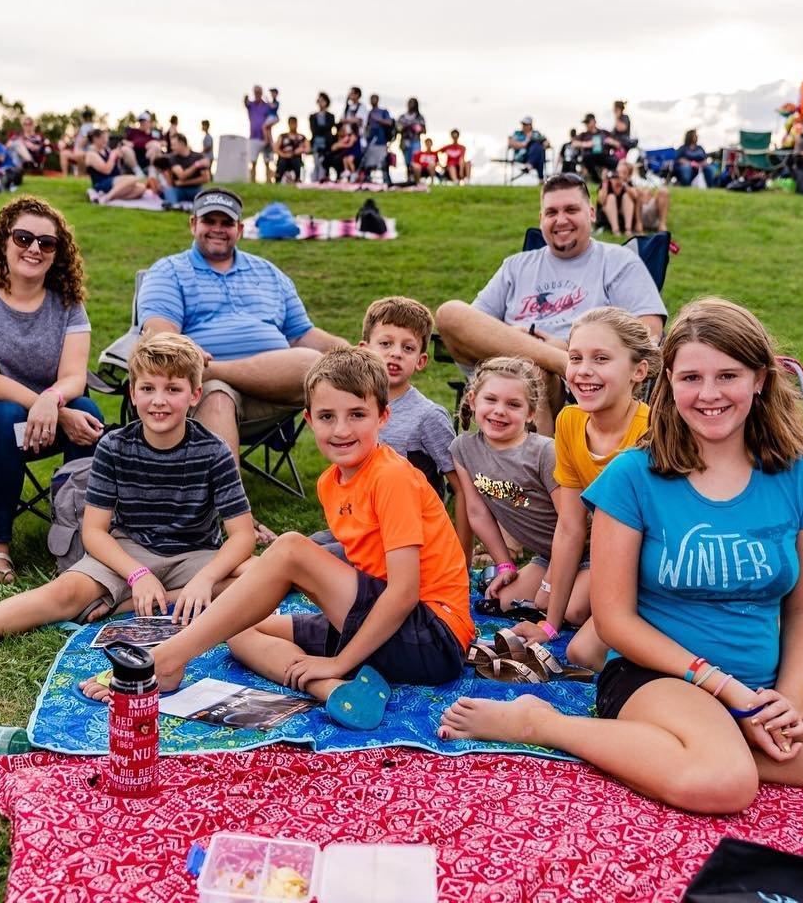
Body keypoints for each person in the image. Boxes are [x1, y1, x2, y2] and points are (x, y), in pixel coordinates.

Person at [440, 298, 803, 815]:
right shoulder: (634, 477)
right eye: (691, 377)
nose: (709, 393)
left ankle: (729, 749)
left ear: (760, 379)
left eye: (728, 375)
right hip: (658, 678)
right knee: (722, 783)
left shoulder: (798, 479)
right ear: (668, 383)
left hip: (760, 684)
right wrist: (724, 688)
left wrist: (787, 703)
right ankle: (544, 724)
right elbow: (614, 619)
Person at [81, 347, 475, 732]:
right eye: (327, 416)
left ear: (383, 416)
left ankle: (167, 659)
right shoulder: (332, 482)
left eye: (357, 414)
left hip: (432, 639)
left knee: (290, 548)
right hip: (386, 626)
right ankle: (332, 690)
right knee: (239, 629)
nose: (341, 430)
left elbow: (404, 592)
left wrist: (340, 659)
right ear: (309, 419)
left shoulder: (391, 477)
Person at [0, 333, 255, 672]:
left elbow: (241, 536)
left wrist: (204, 579)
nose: (158, 401)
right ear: (133, 393)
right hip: (129, 551)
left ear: (195, 395)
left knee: (260, 574)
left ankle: (151, 600)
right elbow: (94, 532)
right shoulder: (114, 447)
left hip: (196, 554)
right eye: (148, 388)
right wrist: (137, 574)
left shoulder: (214, 450)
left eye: (173, 389)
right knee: (63, 593)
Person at [138, 187, 346, 542]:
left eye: (226, 222)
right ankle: (232, 515)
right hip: (209, 395)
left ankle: (369, 494)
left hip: (274, 388)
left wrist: (352, 352)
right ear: (193, 224)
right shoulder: (170, 271)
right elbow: (159, 331)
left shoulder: (268, 273)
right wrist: (189, 354)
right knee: (217, 393)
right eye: (209, 221)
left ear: (240, 228)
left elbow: (303, 334)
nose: (217, 229)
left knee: (319, 368)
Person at [0, 196, 105, 584]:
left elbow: (74, 377)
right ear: (3, 241)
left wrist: (52, 401)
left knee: (89, 411)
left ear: (58, 253)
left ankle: (79, 541)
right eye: (23, 238)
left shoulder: (67, 304)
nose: (34, 249)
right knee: (7, 414)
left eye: (47, 243)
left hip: (44, 418)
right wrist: (49, 407)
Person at [435, 173, 667, 433]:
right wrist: (532, 346)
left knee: (533, 374)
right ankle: (562, 362)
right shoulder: (516, 266)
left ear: (591, 213)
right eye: (551, 212)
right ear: (541, 219)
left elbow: (649, 333)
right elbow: (470, 327)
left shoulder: (619, 261)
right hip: (502, 372)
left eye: (571, 210)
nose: (561, 220)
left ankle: (566, 367)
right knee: (448, 313)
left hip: (577, 387)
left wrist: (576, 350)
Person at [508, 307, 655, 674]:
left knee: (582, 646)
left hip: (650, 562)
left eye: (601, 359)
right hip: (604, 549)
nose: (584, 370)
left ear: (638, 371)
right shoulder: (570, 422)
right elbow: (570, 527)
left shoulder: (653, 430)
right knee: (558, 608)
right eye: (575, 358)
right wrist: (549, 626)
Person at [357, 297, 467, 555]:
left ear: (421, 360)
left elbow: (462, 489)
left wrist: (461, 557)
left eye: (408, 348)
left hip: (408, 541)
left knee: (299, 558)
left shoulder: (428, 416)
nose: (396, 353)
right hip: (361, 529)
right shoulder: (352, 408)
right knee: (300, 546)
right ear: (364, 349)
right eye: (385, 344)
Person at [452, 357, 558, 612]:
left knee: (570, 608)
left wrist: (552, 579)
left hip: (586, 552)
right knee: (507, 601)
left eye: (513, 404)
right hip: (548, 555)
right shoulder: (463, 449)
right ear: (472, 400)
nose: (499, 410)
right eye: (490, 399)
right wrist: (505, 565)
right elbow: (477, 511)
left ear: (530, 413)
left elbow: (571, 523)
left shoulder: (544, 452)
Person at [83, 128, 147, 202]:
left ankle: (105, 196)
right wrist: (112, 156)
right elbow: (106, 170)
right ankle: (107, 198)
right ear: (95, 139)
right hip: (102, 183)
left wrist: (118, 158)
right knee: (133, 178)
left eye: (106, 138)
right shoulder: (91, 154)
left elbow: (116, 169)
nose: (106, 140)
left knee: (142, 188)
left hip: (115, 181)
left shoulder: (106, 150)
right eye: (103, 138)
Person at [157, 133, 211, 204]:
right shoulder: (172, 158)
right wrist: (196, 165)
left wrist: (183, 183)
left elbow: (206, 178)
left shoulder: (198, 156)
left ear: (182, 144)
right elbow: (182, 176)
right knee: (169, 192)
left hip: (196, 189)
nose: (172, 148)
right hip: (178, 190)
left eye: (174, 145)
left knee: (207, 200)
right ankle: (174, 206)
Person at [360, 94, 395, 185]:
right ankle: (367, 180)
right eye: (371, 99)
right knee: (369, 163)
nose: (373, 101)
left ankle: (387, 181)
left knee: (383, 163)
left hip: (381, 141)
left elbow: (389, 122)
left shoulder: (383, 111)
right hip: (370, 142)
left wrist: (377, 119)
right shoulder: (369, 113)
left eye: (374, 99)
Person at [244, 86, 277, 182]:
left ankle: (269, 182)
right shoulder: (251, 105)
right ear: (254, 93)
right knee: (253, 162)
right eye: (256, 92)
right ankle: (252, 182)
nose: (257, 94)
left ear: (261, 93)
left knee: (267, 162)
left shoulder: (267, 106)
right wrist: (245, 98)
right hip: (253, 137)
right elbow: (245, 103)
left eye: (259, 92)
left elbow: (275, 117)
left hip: (265, 139)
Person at [598, 162, 638, 237]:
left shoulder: (627, 184)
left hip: (623, 218)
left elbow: (635, 197)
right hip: (606, 219)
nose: (619, 175)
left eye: (624, 172)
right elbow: (601, 201)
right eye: (618, 171)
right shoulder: (607, 182)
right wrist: (605, 182)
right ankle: (615, 230)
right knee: (611, 197)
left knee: (627, 197)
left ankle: (628, 230)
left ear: (628, 175)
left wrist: (624, 184)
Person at [572, 113, 617, 180]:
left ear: (593, 121)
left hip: (604, 156)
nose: (586, 124)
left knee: (615, 161)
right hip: (590, 157)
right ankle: (596, 179)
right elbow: (574, 143)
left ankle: (612, 178)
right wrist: (586, 144)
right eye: (585, 123)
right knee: (586, 157)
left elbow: (617, 143)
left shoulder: (604, 132)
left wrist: (612, 142)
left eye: (588, 122)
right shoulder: (584, 134)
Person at [508, 117, 548, 181]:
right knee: (539, 153)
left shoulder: (536, 133)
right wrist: (526, 141)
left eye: (526, 124)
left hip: (534, 156)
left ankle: (529, 165)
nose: (524, 126)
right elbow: (511, 143)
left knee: (538, 147)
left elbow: (546, 143)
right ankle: (541, 179)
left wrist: (545, 144)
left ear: (530, 125)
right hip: (521, 156)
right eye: (523, 124)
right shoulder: (517, 133)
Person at [309, 93, 337, 182]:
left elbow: (329, 127)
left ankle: (324, 180)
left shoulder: (330, 116)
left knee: (325, 163)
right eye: (319, 101)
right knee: (316, 162)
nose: (320, 103)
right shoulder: (313, 116)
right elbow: (314, 130)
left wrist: (320, 129)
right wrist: (324, 129)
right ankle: (316, 180)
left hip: (327, 143)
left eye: (322, 101)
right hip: (316, 142)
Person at [397, 98, 426, 182]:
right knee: (407, 162)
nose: (411, 105)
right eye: (409, 103)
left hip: (416, 141)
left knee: (415, 161)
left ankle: (416, 179)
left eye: (413, 103)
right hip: (405, 142)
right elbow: (398, 129)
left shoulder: (419, 117)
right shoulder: (402, 117)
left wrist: (418, 129)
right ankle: (409, 180)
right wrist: (404, 127)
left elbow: (424, 131)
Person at [274, 116, 308, 183]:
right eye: (292, 123)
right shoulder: (283, 136)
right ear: (289, 124)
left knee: (297, 161)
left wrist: (301, 149)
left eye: (294, 123)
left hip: (296, 158)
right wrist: (284, 155)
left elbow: (308, 148)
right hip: (284, 158)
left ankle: (298, 180)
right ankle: (278, 180)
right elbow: (276, 149)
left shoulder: (302, 137)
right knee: (282, 163)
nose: (293, 125)